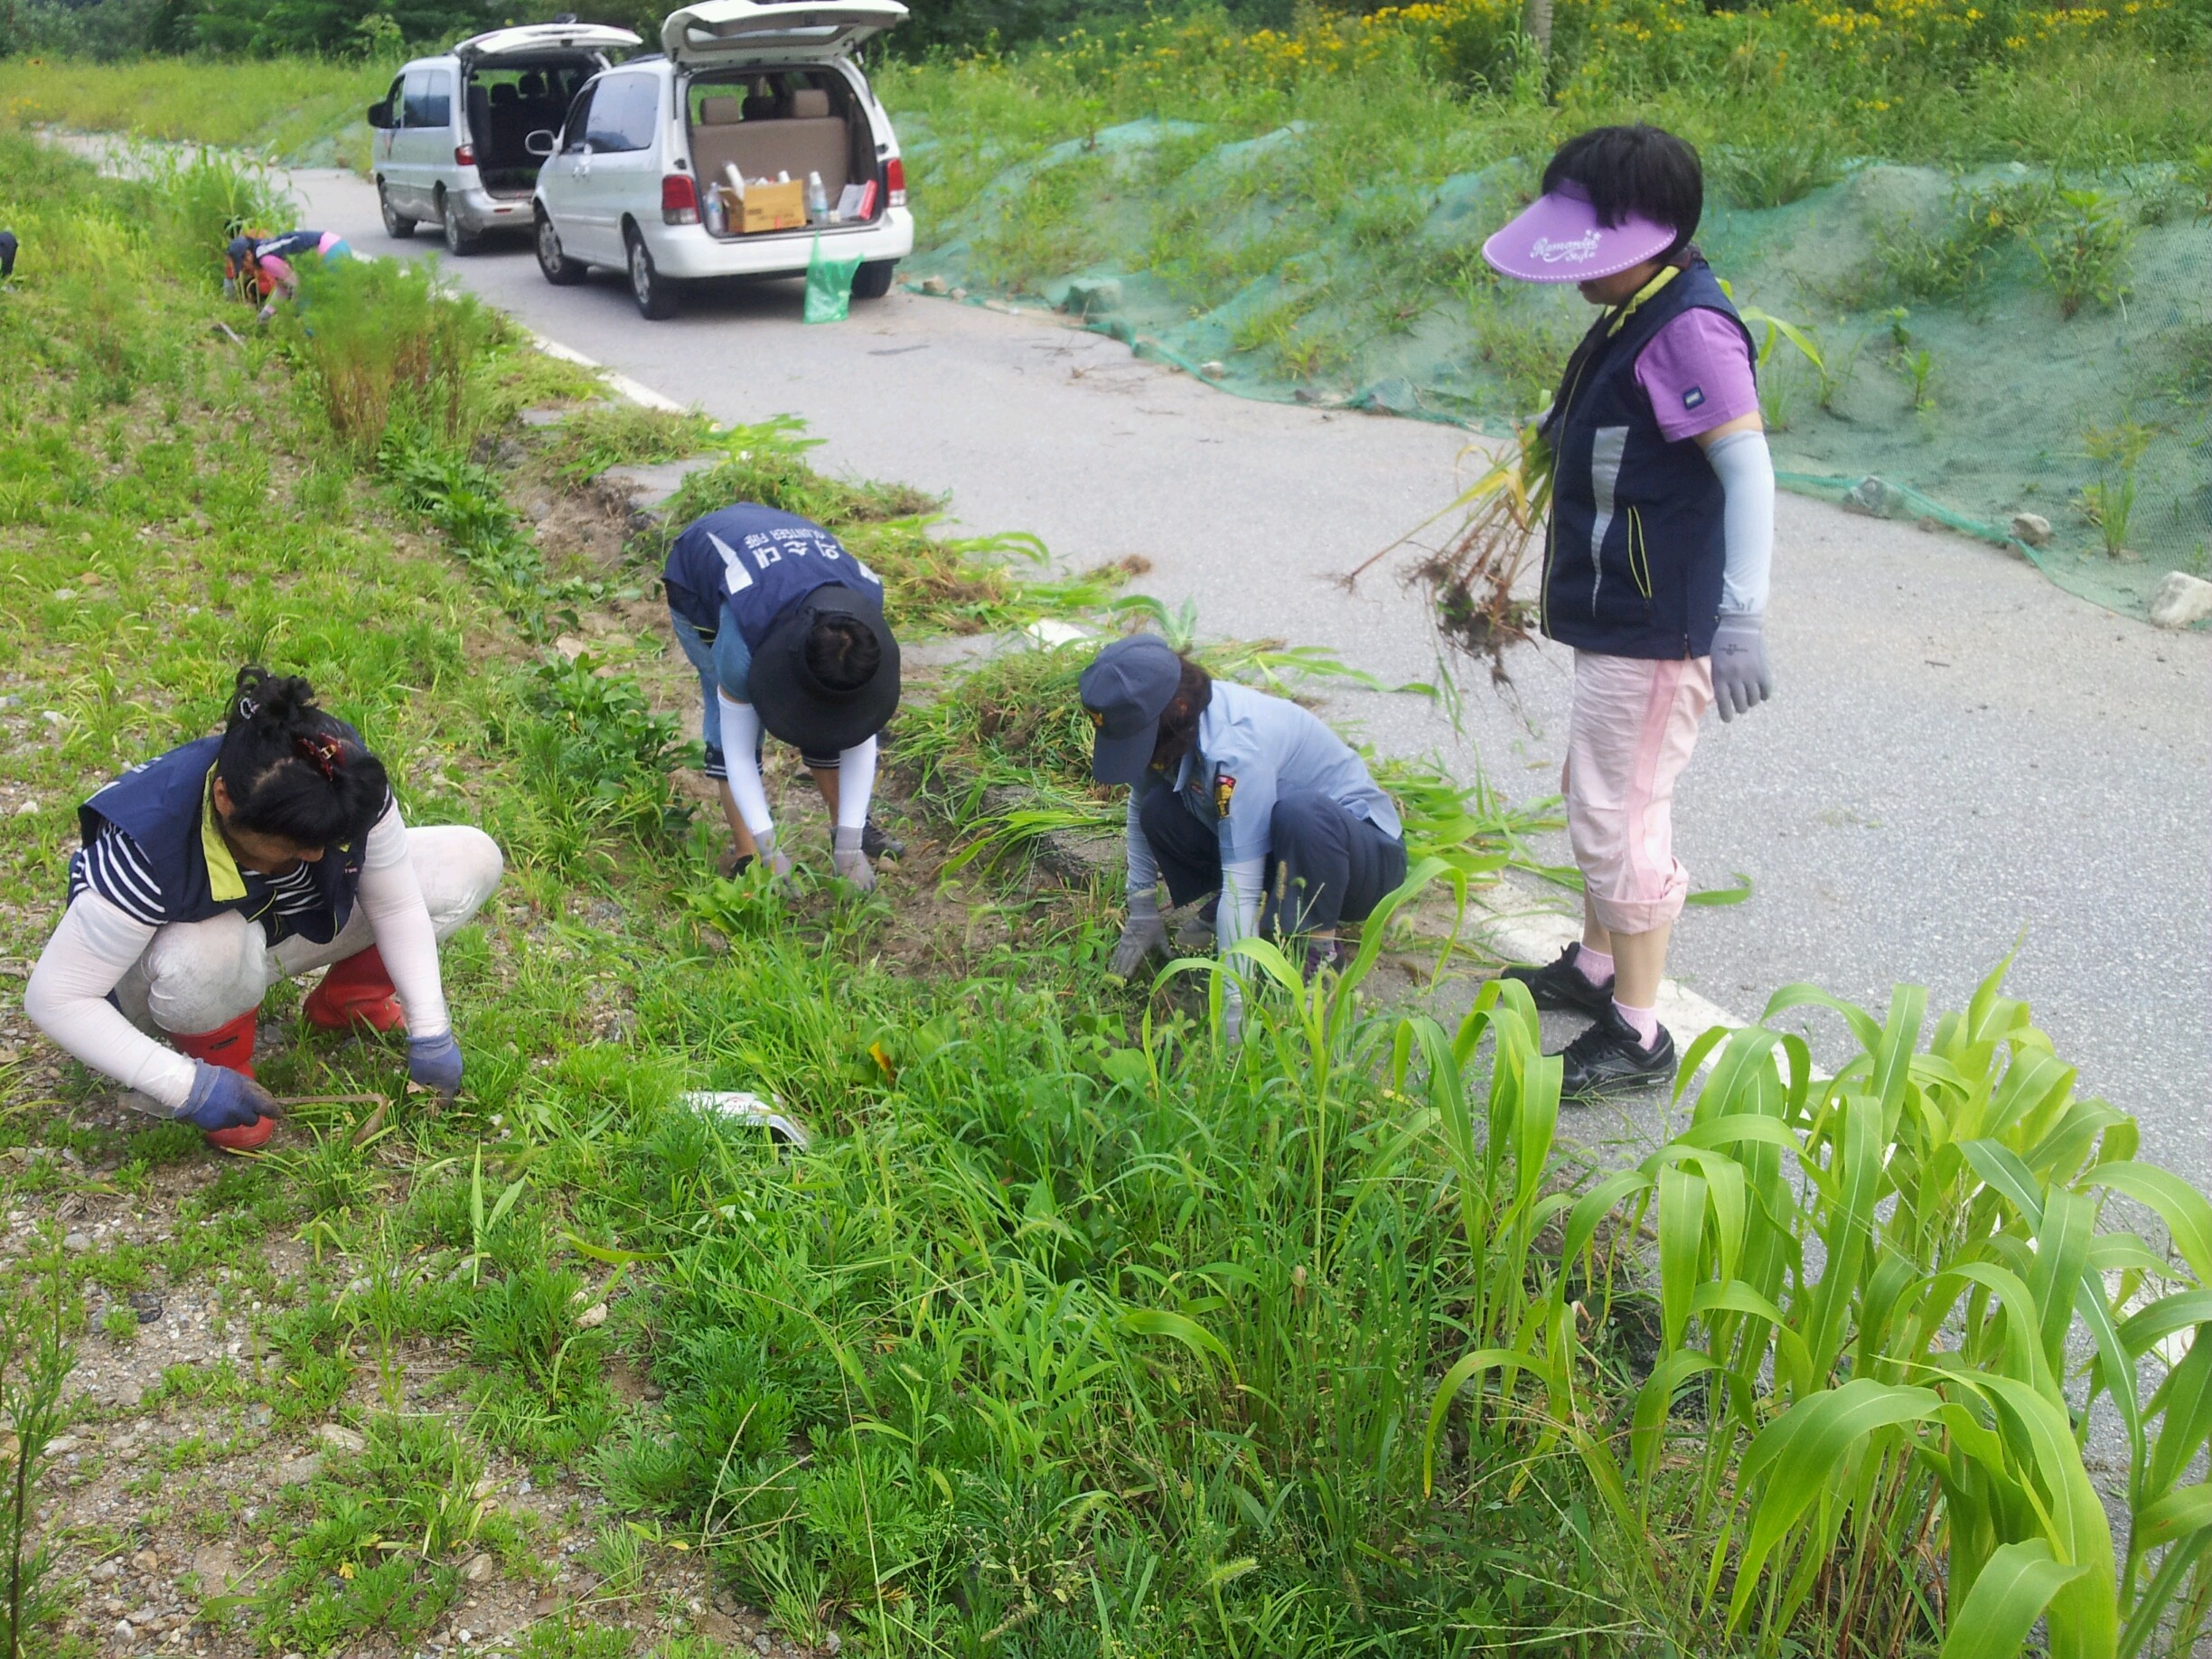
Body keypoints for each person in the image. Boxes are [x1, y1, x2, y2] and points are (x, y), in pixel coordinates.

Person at [1480, 124, 1777, 1100]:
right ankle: (1598, 965)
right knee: (1596, 790)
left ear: (1647, 234)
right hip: (1620, 610)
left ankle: (1639, 1033)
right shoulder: (1633, 308)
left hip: (1659, 622)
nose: (1572, 264)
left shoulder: (1688, 326)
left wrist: (1743, 615)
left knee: (1622, 810)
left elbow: (1747, 467)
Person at [23, 668, 503, 1150]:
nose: (314, 855)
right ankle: (220, 1065)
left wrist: (431, 1029)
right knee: (208, 947)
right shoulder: (149, 844)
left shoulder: (340, 775)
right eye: (291, 844)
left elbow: (396, 904)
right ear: (223, 800)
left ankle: (349, 1001)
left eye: (325, 840)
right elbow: (56, 998)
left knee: (469, 861)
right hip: (164, 973)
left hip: (274, 931)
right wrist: (185, 1086)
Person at [1083, 635, 1408, 1041]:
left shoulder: (1236, 748)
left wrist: (1233, 1013)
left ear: (1178, 708)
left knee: (1299, 814)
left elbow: (1243, 889)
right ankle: (1259, 912)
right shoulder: (1172, 726)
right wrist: (1142, 908)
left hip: (1362, 861)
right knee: (1159, 808)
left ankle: (1316, 949)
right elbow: (1139, 804)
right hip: (1286, 847)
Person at [662, 504, 903, 889]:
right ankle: (748, 854)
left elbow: (860, 731)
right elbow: (739, 753)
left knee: (834, 708)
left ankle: (845, 827)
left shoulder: (865, 618)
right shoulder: (742, 647)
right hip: (701, 570)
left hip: (786, 563)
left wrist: (849, 844)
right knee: (728, 716)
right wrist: (768, 849)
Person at [224, 230, 351, 323]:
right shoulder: (265, 249)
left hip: (331, 251)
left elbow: (298, 286)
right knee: (331, 300)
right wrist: (266, 313)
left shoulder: (266, 260)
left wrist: (292, 314)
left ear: (248, 255)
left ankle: (312, 339)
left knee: (311, 306)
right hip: (336, 244)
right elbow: (283, 287)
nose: (244, 269)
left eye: (243, 264)